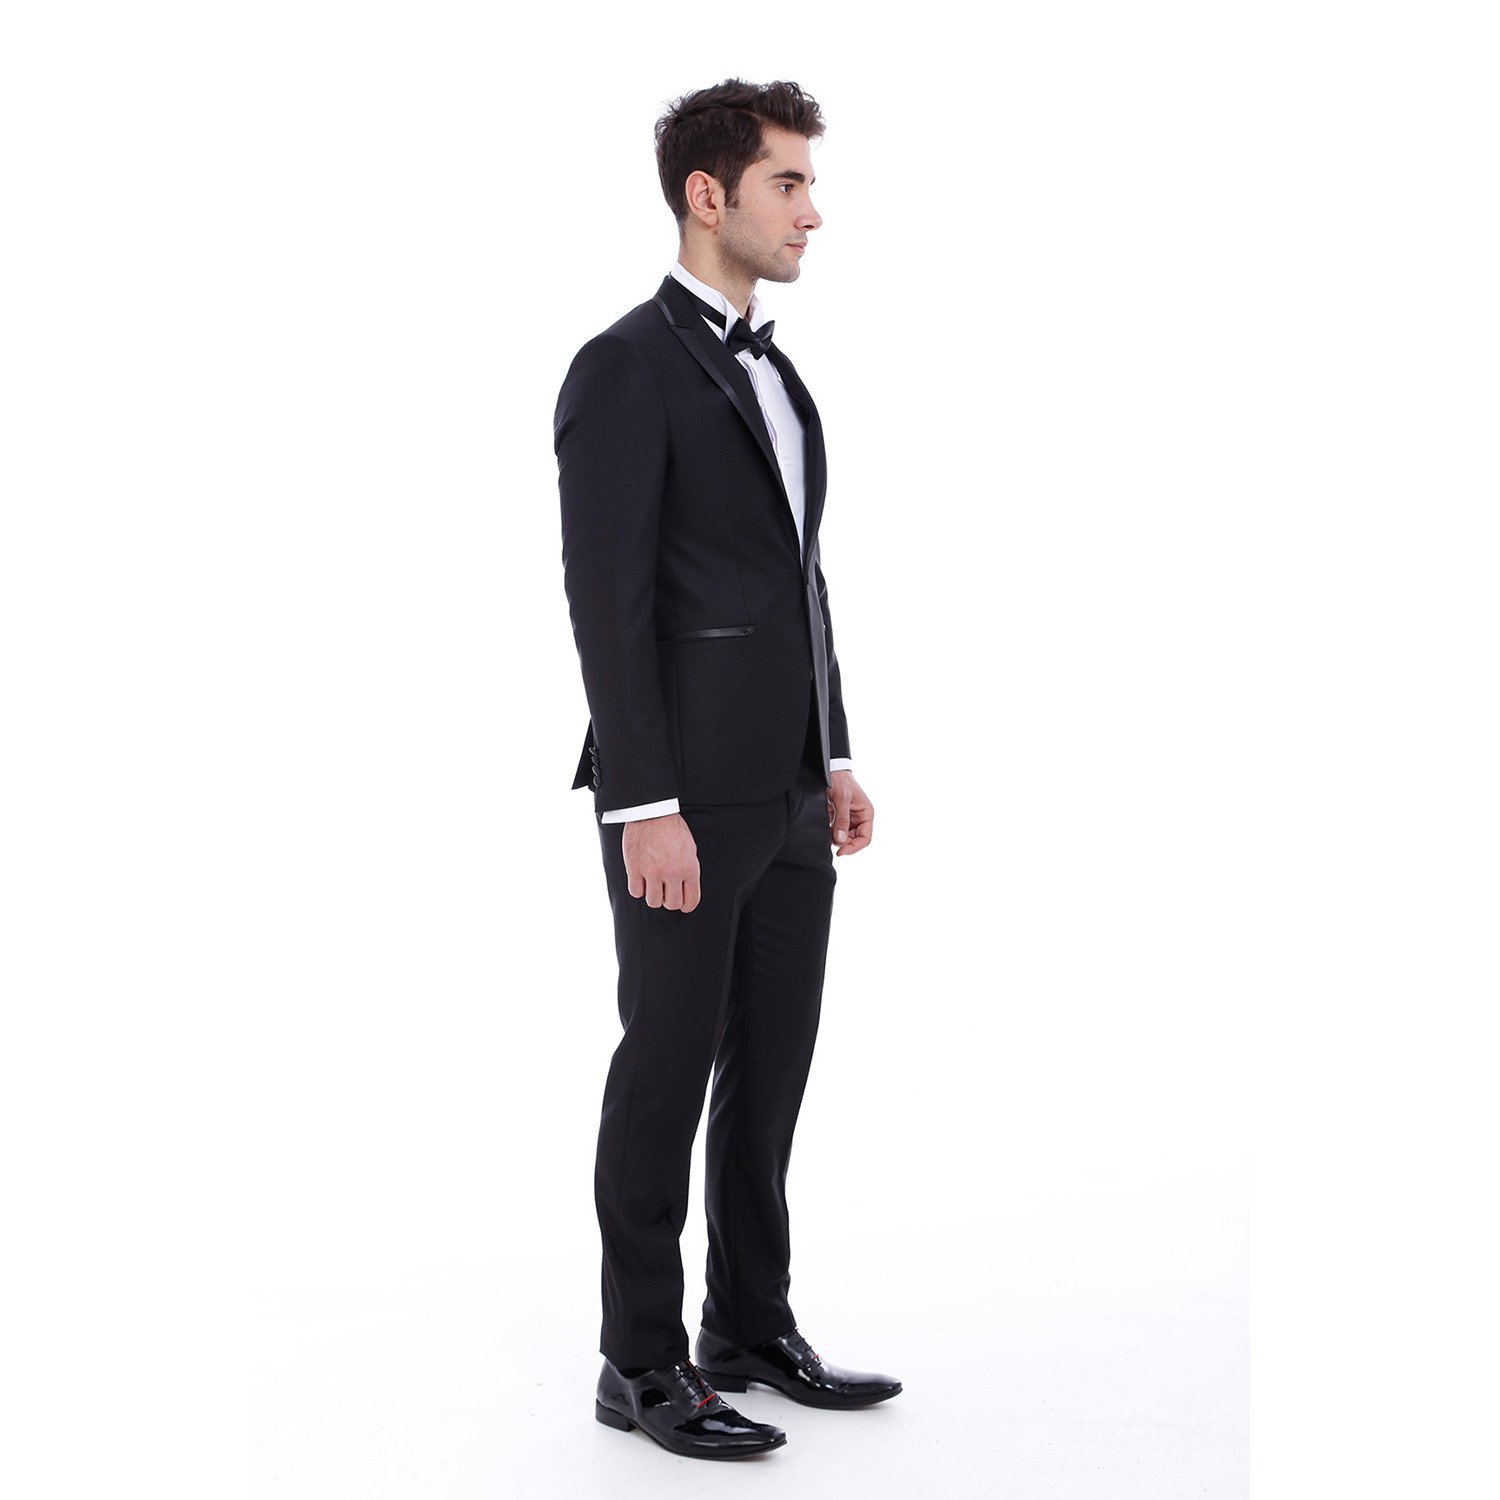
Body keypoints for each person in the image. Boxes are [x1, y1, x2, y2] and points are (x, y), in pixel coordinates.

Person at [553, 77, 900, 1462]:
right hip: (682, 798)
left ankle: (749, 1325)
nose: (813, 210)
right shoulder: (623, 369)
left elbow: (799, 581)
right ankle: (638, 1361)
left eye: (810, 182)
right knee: (668, 1069)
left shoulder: (780, 372)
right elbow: (608, 604)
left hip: (790, 795)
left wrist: (834, 752)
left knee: (772, 1071)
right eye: (787, 184)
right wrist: (644, 802)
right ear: (709, 196)